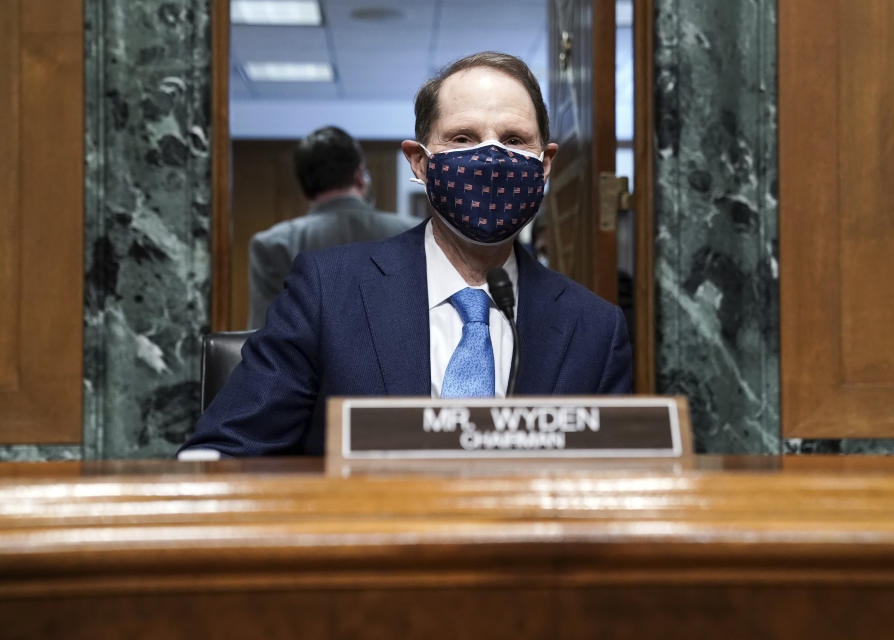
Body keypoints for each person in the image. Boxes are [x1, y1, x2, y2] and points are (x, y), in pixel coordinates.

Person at [181, 52, 633, 457]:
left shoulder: (595, 328)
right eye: (462, 138)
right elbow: (225, 450)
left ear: (545, 163)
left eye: (514, 140)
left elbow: (618, 485)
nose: (492, 159)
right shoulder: (327, 292)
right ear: (419, 162)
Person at [246, 126, 413, 328]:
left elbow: (264, 337)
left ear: (303, 187)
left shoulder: (273, 245)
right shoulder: (413, 233)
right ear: (359, 175)